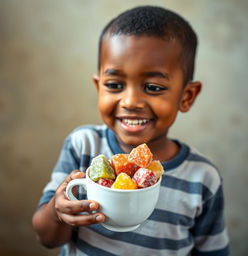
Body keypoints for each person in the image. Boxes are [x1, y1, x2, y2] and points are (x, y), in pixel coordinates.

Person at [32, 5, 229, 256]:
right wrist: (58, 213)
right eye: (114, 85)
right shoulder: (82, 145)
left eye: (154, 87)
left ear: (186, 96)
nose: (130, 102)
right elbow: (46, 237)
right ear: (98, 87)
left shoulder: (203, 178)